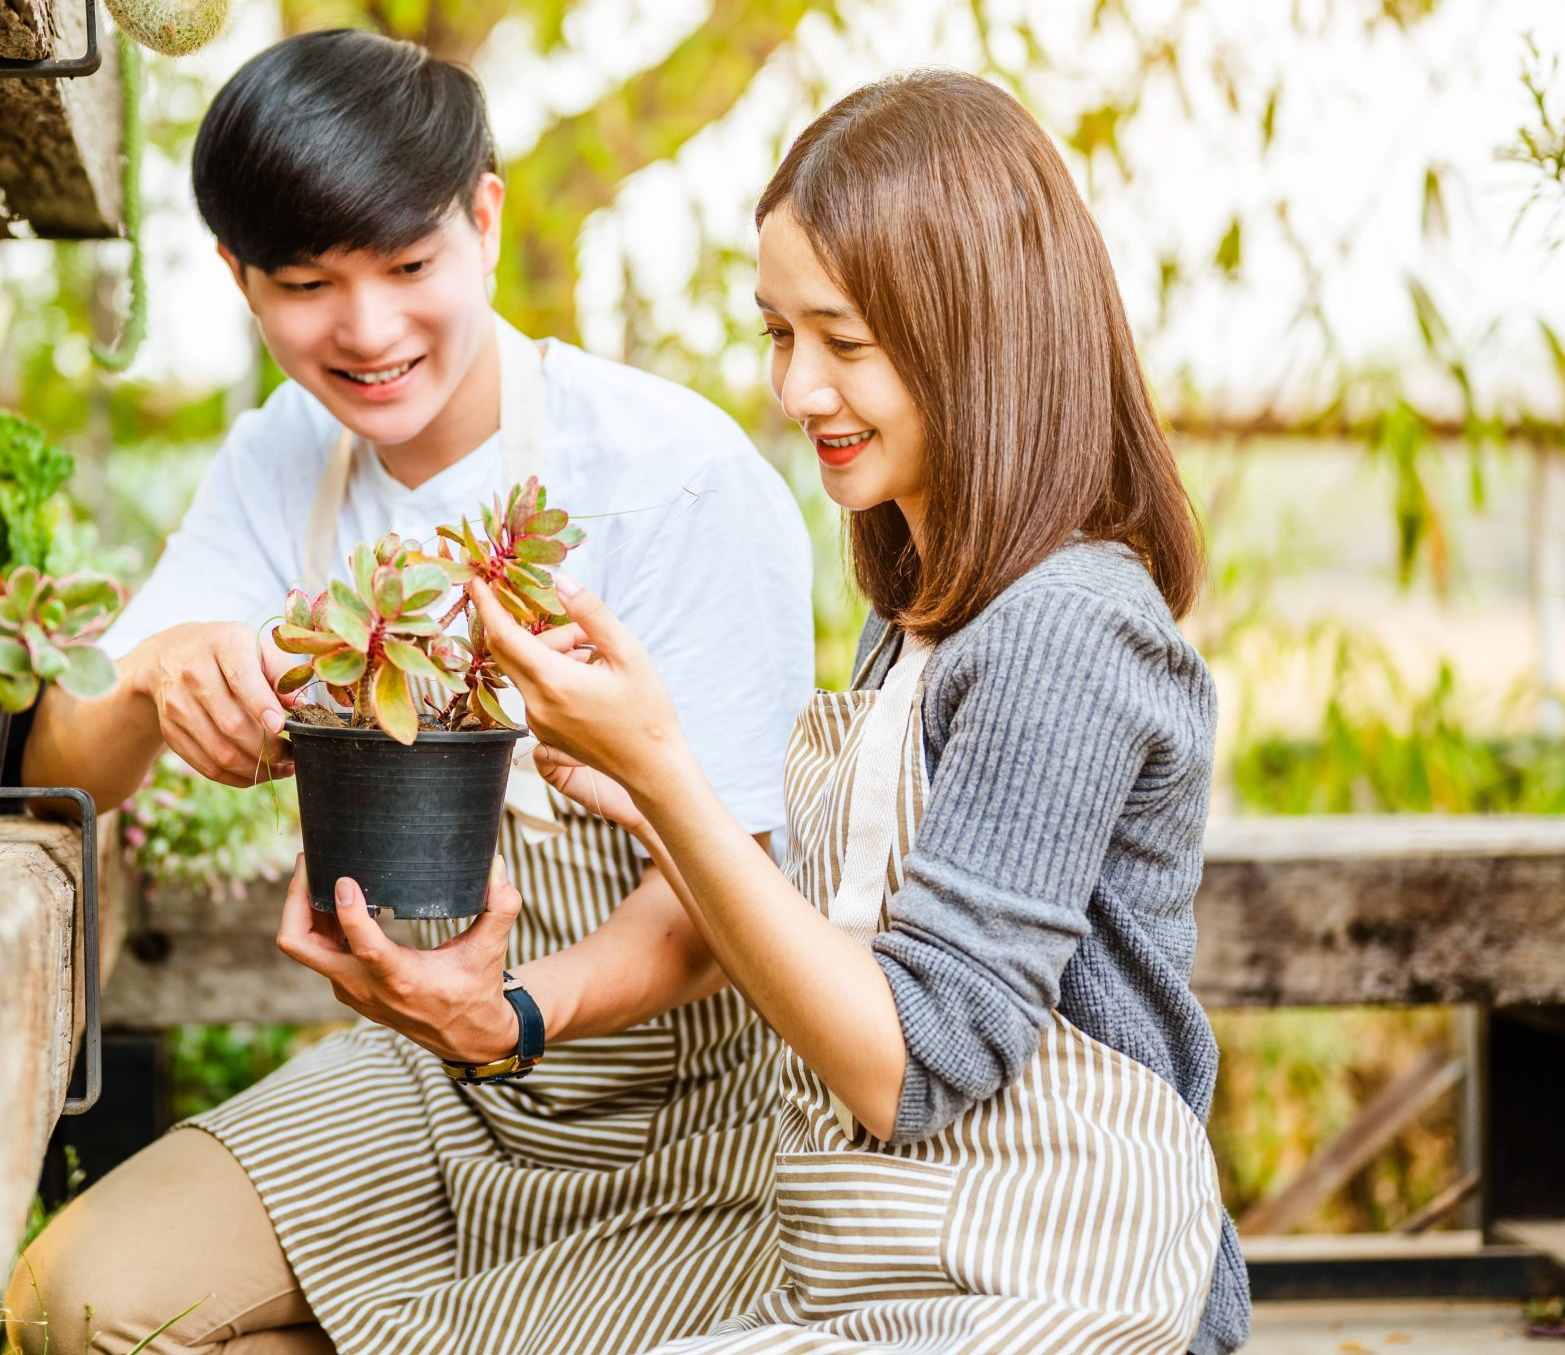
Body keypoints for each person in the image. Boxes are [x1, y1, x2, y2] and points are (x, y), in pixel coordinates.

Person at [4, 29, 817, 1355]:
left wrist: (512, 1008)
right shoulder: (281, 457)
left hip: (687, 1102)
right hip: (430, 1080)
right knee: (76, 1303)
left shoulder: (671, 475)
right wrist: (152, 672)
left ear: (485, 215)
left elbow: (727, 901)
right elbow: (72, 766)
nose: (368, 329)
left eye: (411, 264)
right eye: (308, 282)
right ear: (238, 277)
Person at [476, 70, 1250, 1355]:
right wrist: (650, 801)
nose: (797, 388)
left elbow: (918, 1058)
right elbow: (864, 931)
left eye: (845, 340)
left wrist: (665, 772)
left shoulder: (1062, 626)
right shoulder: (923, 616)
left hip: (1065, 1292)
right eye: (779, 332)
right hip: (899, 1270)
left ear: (979, 336)